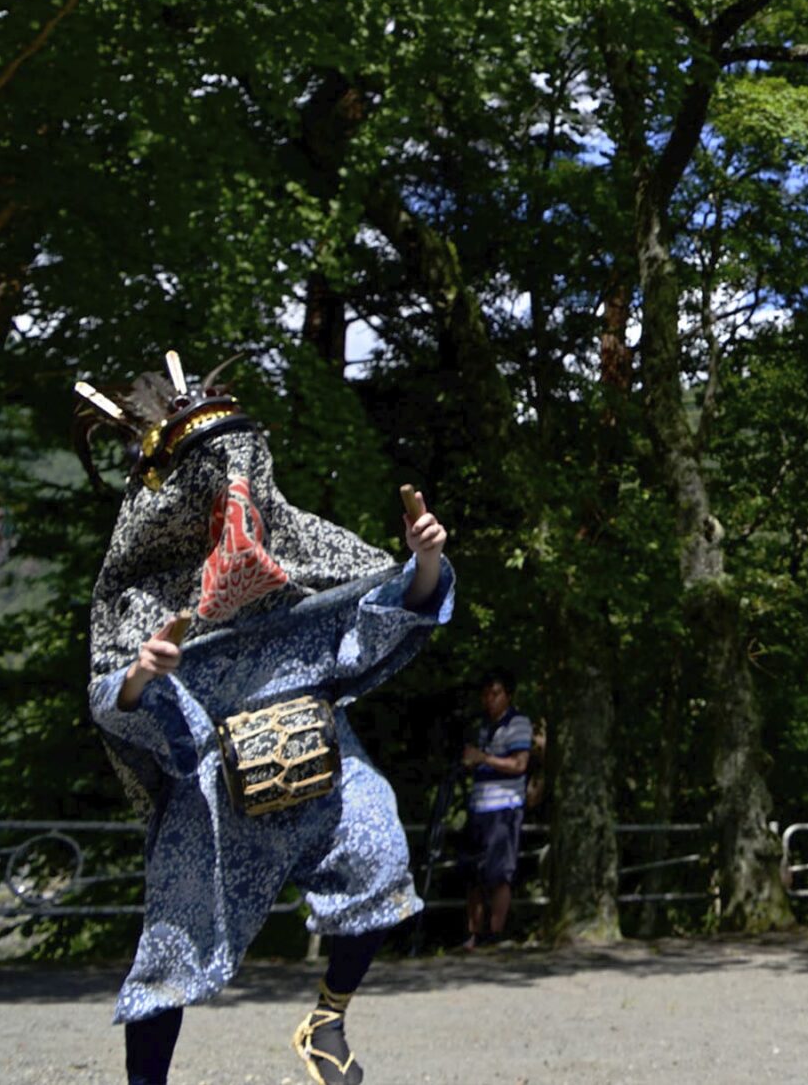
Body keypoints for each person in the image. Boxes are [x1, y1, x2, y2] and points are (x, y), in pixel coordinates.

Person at [78, 359, 453, 1085]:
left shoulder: (302, 550)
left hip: (320, 753)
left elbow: (379, 615)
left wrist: (427, 562)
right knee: (172, 950)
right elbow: (110, 692)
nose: (234, 482)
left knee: (380, 848)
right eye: (215, 470)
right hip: (210, 785)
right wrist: (139, 677)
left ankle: (328, 1017)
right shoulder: (142, 592)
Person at [463, 668, 534, 949]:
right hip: (478, 805)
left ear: (508, 695)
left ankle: (495, 933)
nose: (490, 700)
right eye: (486, 695)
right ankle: (473, 934)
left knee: (498, 873)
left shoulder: (518, 723)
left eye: (496, 694)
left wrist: (484, 758)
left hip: (503, 807)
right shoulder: (481, 727)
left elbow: (519, 764)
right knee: (472, 873)